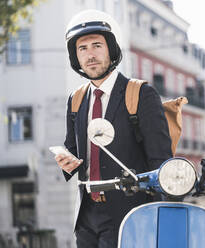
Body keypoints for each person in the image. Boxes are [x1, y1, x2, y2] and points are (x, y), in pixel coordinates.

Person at [54, 9, 172, 248]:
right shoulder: (75, 99)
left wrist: (163, 222)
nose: (90, 55)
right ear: (75, 57)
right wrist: (66, 163)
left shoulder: (141, 94)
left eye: (97, 45)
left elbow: (161, 164)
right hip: (86, 216)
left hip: (130, 214)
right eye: (82, 49)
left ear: (111, 49)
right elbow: (74, 150)